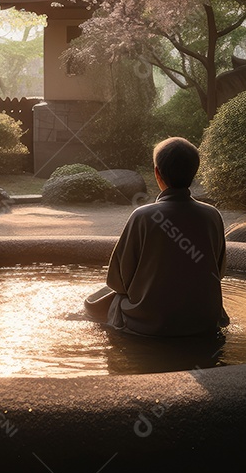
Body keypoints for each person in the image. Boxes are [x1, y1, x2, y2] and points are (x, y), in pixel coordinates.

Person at [85, 137, 229, 337]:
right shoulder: (212, 215)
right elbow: (219, 273)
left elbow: (117, 282)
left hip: (150, 324)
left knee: (98, 303)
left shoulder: (143, 216)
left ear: (157, 173)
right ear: (194, 173)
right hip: (204, 321)